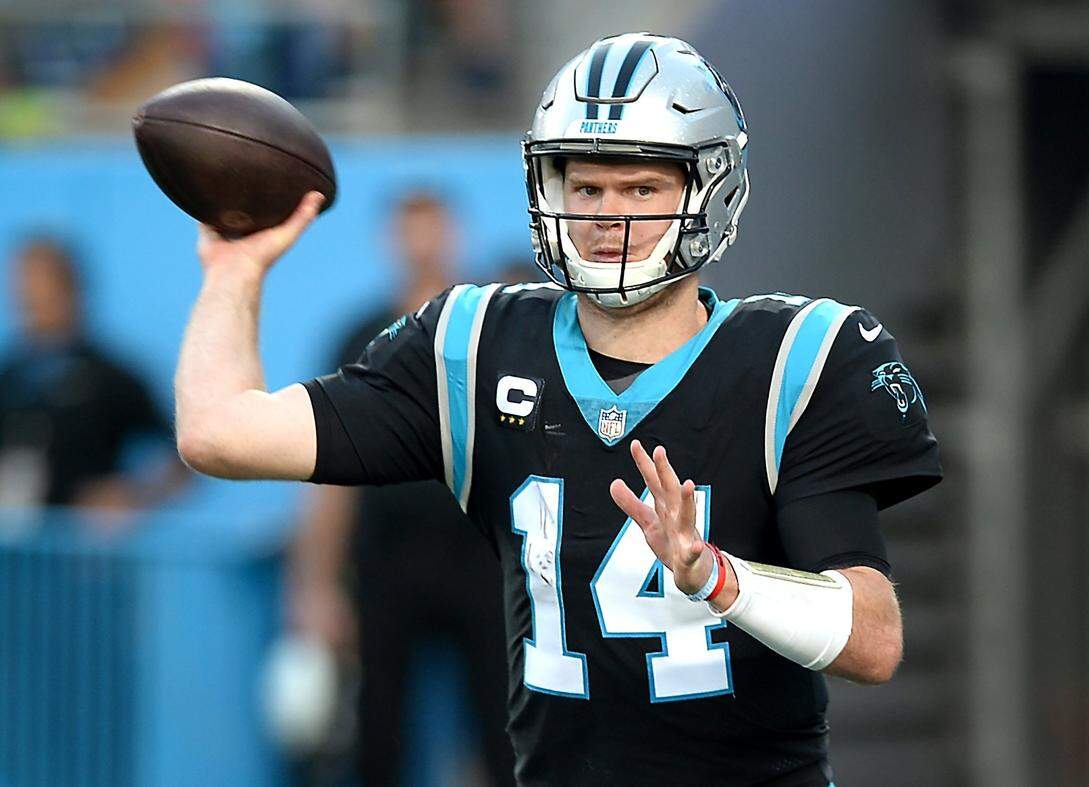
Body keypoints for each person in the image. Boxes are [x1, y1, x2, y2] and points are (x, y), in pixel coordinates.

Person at [174, 33, 942, 786]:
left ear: (709, 190)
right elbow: (220, 432)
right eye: (587, 187)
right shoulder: (477, 346)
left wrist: (716, 576)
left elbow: (872, 638)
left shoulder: (794, 361)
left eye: (642, 188)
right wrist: (233, 271)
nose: (609, 214)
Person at [289, 192, 515, 785]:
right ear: (390, 239)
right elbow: (328, 471)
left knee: (503, 724)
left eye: (432, 228)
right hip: (387, 561)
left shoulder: (489, 329)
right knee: (379, 729)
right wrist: (314, 585)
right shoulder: (363, 337)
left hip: (481, 557)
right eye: (408, 230)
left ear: (453, 234)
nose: (421, 243)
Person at [0, 236, 186, 518]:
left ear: (72, 289)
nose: (30, 299)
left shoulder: (112, 378)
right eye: (23, 289)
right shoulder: (9, 377)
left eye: (42, 287)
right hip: (15, 554)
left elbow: (184, 457)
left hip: (88, 556)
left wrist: (135, 496)